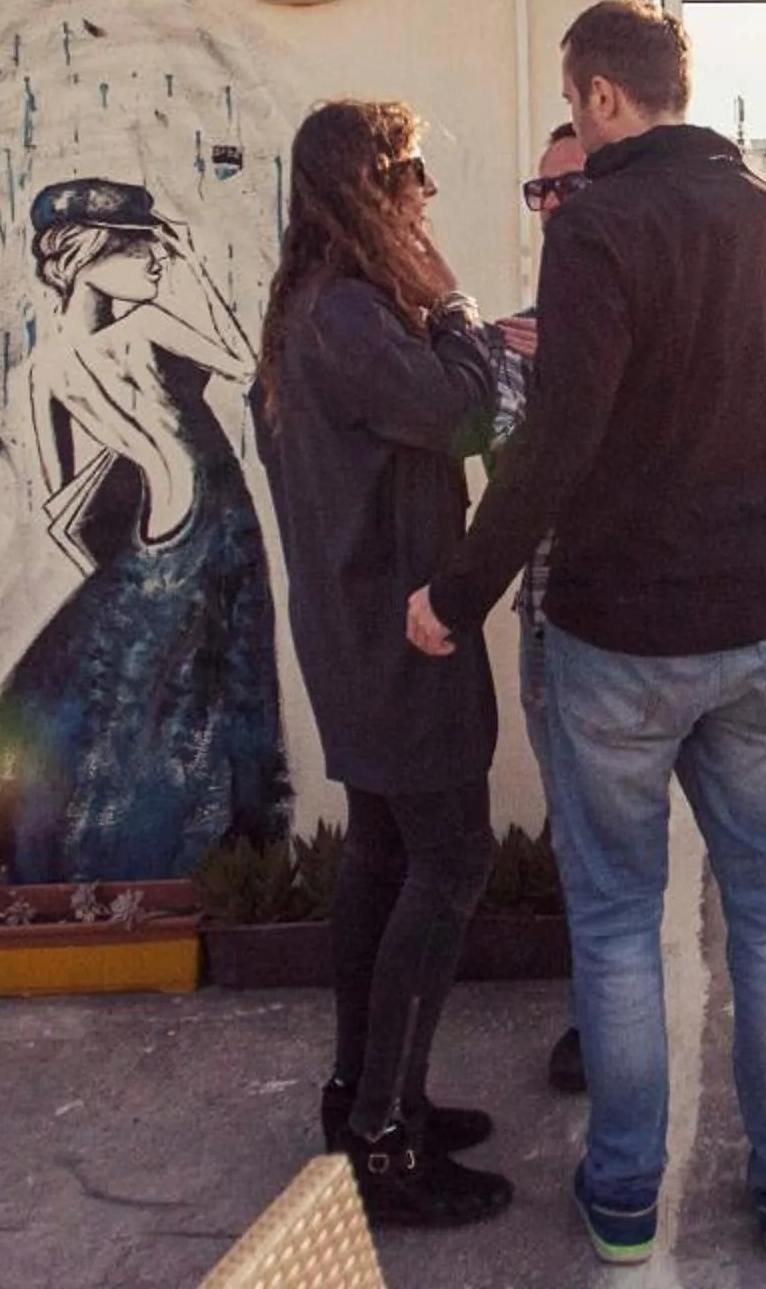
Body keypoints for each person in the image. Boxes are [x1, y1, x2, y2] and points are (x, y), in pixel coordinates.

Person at [413, 0, 766, 1271]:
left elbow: (559, 436)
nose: (577, 125)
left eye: (574, 99)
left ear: (601, 95)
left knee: (615, 927)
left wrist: (458, 590)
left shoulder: (597, 223)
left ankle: (627, 1195)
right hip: (760, 621)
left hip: (622, 635)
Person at [492, 129, 766, 1097]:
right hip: (570, 620)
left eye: (579, 182)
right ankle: (603, 1027)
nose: (562, 203)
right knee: (610, 883)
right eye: (546, 189)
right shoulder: (513, 344)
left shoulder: (684, 288)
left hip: (698, 620)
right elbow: (509, 459)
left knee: (758, 882)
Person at [250, 101, 510, 1227]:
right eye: (411, 173)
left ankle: (367, 1100)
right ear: (369, 189)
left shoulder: (314, 307)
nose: (426, 194)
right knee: (447, 859)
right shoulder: (351, 315)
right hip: (398, 637)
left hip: (354, 632)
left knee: (386, 854)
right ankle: (385, 1141)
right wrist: (456, 308)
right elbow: (464, 416)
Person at [0, 179, 288, 883]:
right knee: (202, 709)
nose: (156, 257)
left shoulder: (46, 369)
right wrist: (194, 275)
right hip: (204, 532)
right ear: (84, 252)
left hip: (154, 549)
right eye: (136, 244)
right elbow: (247, 366)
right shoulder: (141, 329)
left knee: (143, 717)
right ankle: (188, 872)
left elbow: (61, 509)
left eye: (156, 244)